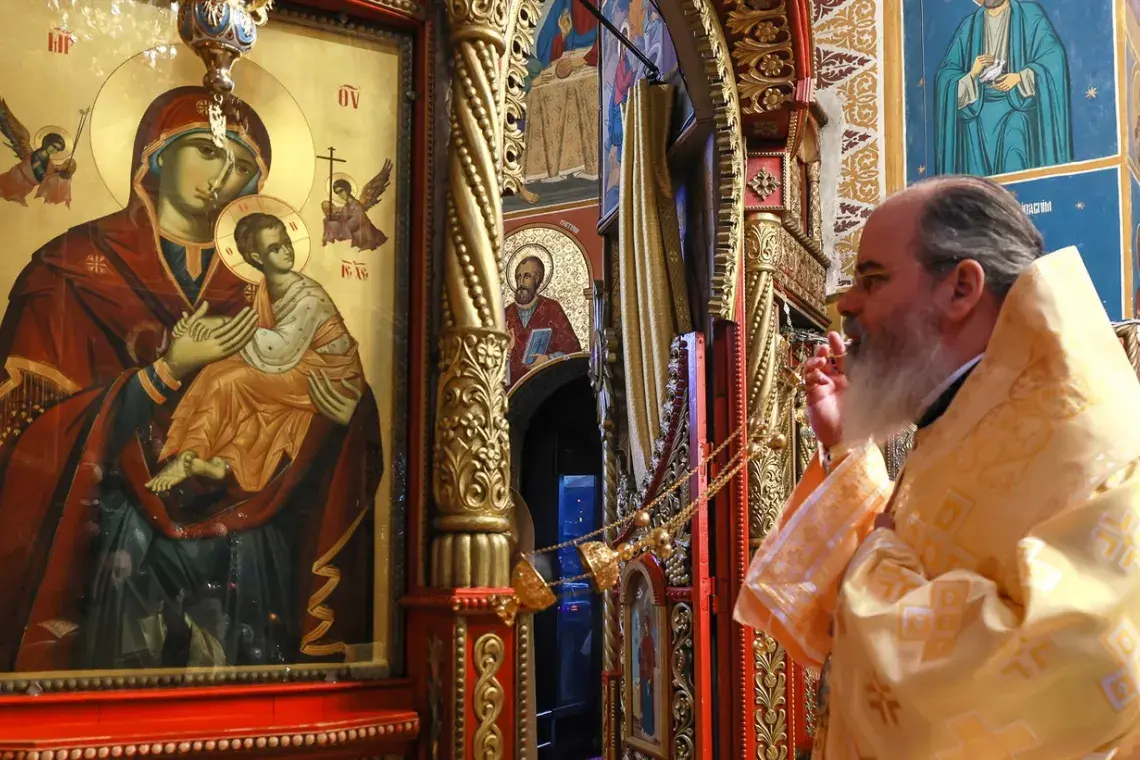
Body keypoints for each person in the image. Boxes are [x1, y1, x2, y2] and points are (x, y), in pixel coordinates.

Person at [735, 175, 1140, 758]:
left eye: (873, 279)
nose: (846, 304)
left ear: (961, 288)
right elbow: (924, 546)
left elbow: (1046, 675)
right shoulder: (975, 415)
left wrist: (874, 571)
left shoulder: (1096, 446)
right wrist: (845, 446)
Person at [0, 87, 382, 672]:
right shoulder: (70, 268)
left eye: (242, 165)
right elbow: (28, 434)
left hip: (248, 536)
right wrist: (165, 372)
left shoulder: (269, 286)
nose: (223, 176)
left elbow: (335, 384)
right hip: (116, 538)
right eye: (207, 150)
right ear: (155, 154)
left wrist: (337, 409)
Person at [149, 212, 364, 494]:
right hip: (300, 365)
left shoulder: (309, 295)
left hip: (329, 374)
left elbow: (279, 347)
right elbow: (263, 343)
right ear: (256, 257)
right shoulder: (266, 290)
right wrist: (192, 331)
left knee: (230, 381)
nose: (286, 251)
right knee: (217, 373)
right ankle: (208, 459)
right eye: (275, 248)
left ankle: (191, 455)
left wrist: (221, 324)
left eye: (287, 242)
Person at [934, 0, 1071, 176]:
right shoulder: (969, 26)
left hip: (1015, 109)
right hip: (977, 114)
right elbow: (945, 77)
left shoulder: (1029, 14)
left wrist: (1019, 77)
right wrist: (972, 73)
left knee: (1015, 140)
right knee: (978, 176)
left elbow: (1054, 58)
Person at [505, 255, 581, 386]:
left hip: (547, 389)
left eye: (527, 276)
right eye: (518, 277)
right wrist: (505, 354)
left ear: (537, 279)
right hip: (514, 391)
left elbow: (573, 352)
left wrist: (548, 359)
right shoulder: (506, 314)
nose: (521, 282)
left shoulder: (552, 309)